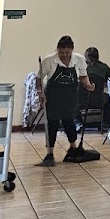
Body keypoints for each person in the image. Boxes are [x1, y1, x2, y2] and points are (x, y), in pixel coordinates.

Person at [37, 35, 92, 166]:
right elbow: (39, 79)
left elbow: (83, 76)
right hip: (53, 97)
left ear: (72, 50)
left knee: (70, 122)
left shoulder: (79, 60)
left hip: (70, 96)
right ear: (57, 50)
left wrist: (88, 85)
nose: (64, 55)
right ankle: (50, 153)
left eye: (67, 52)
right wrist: (40, 93)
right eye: (61, 52)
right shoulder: (49, 61)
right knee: (52, 124)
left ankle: (73, 148)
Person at [85, 47, 110, 130]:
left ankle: (78, 123)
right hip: (99, 99)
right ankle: (106, 122)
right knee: (109, 98)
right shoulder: (104, 67)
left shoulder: (83, 68)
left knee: (72, 99)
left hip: (83, 100)